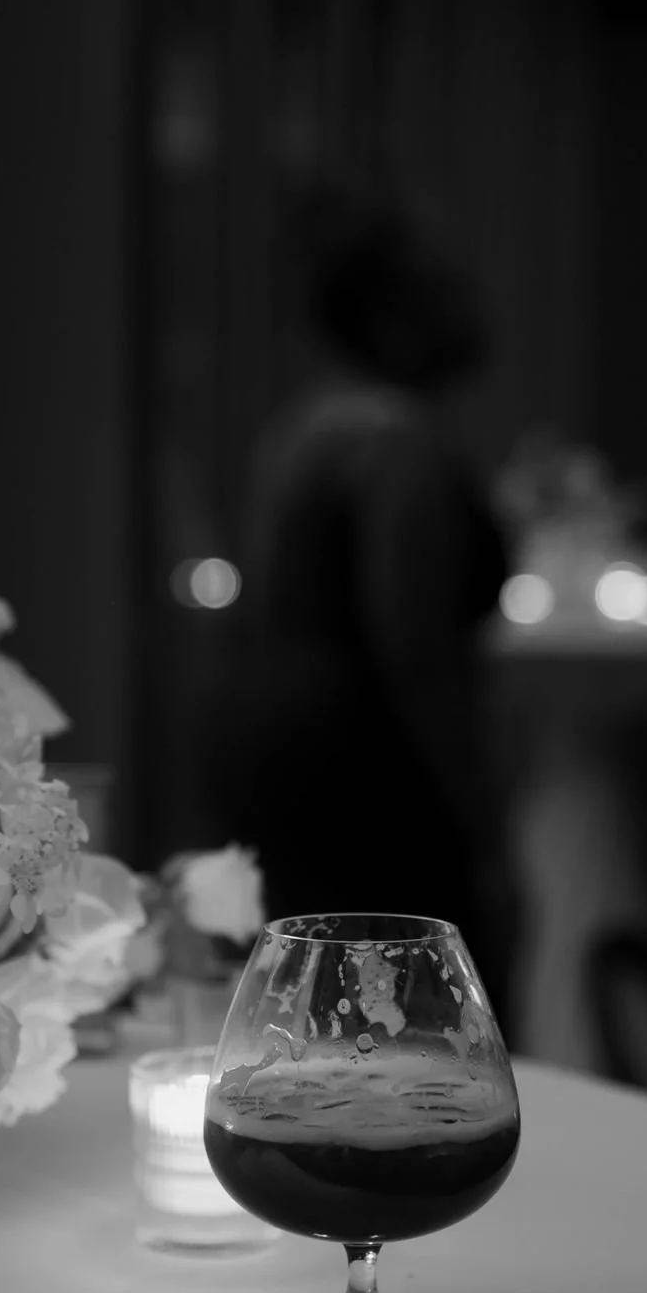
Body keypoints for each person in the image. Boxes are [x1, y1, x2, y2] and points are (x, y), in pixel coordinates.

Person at [198, 188, 516, 1020]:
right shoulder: (395, 445)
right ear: (398, 314)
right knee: (411, 1016)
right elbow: (417, 655)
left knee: (316, 1015)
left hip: (281, 757)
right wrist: (483, 824)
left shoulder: (306, 429)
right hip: (367, 783)